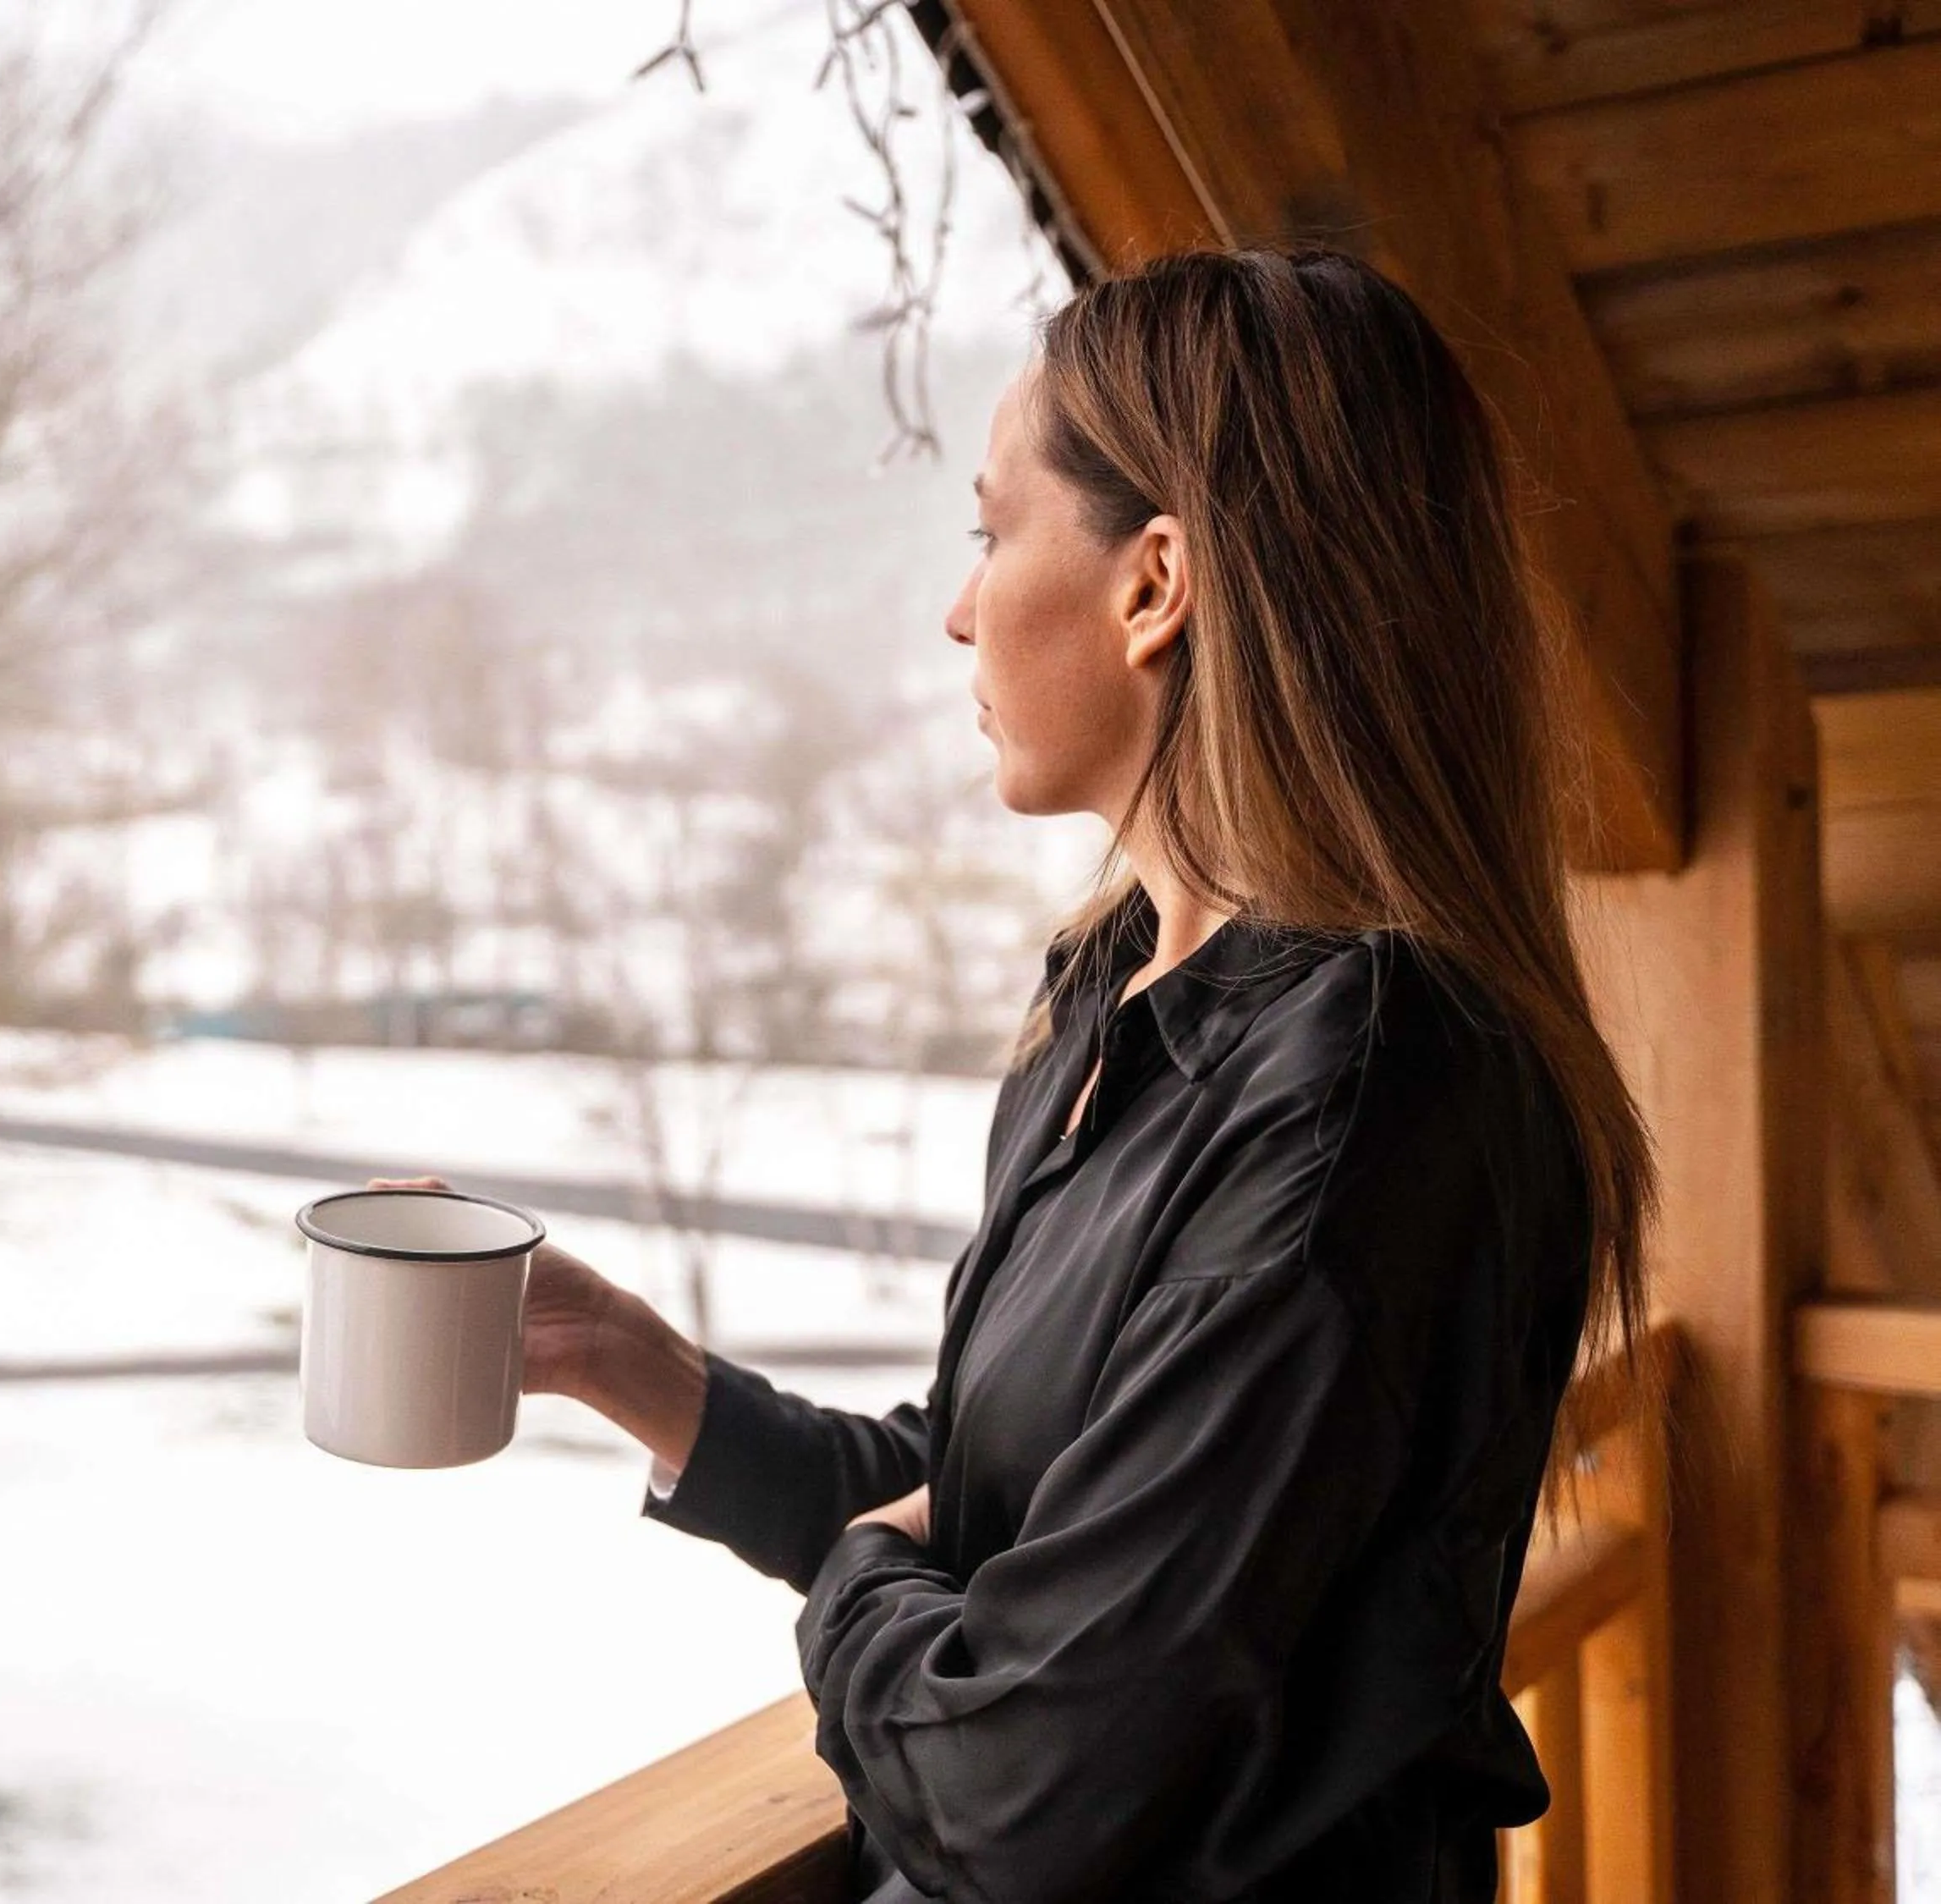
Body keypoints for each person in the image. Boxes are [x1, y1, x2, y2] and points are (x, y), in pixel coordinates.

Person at [372, 244, 1652, 1904]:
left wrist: (850, 1585)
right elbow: (1010, 1514)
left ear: (1154, 583)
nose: (960, 605)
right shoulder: (1117, 997)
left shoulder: (1359, 1105)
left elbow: (1029, 1801)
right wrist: (635, 1367)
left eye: (991, 532)